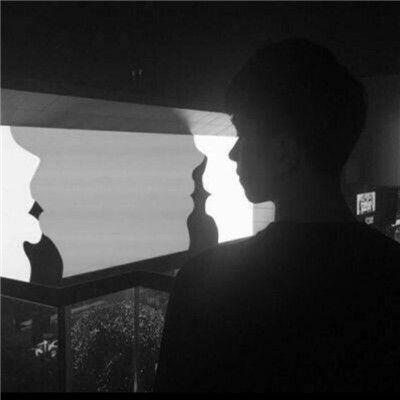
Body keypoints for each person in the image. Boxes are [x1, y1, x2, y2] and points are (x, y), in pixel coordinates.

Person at [155, 39, 400, 392]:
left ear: (285, 152)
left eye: (243, 134)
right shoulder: (390, 273)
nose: (234, 153)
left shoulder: (206, 283)